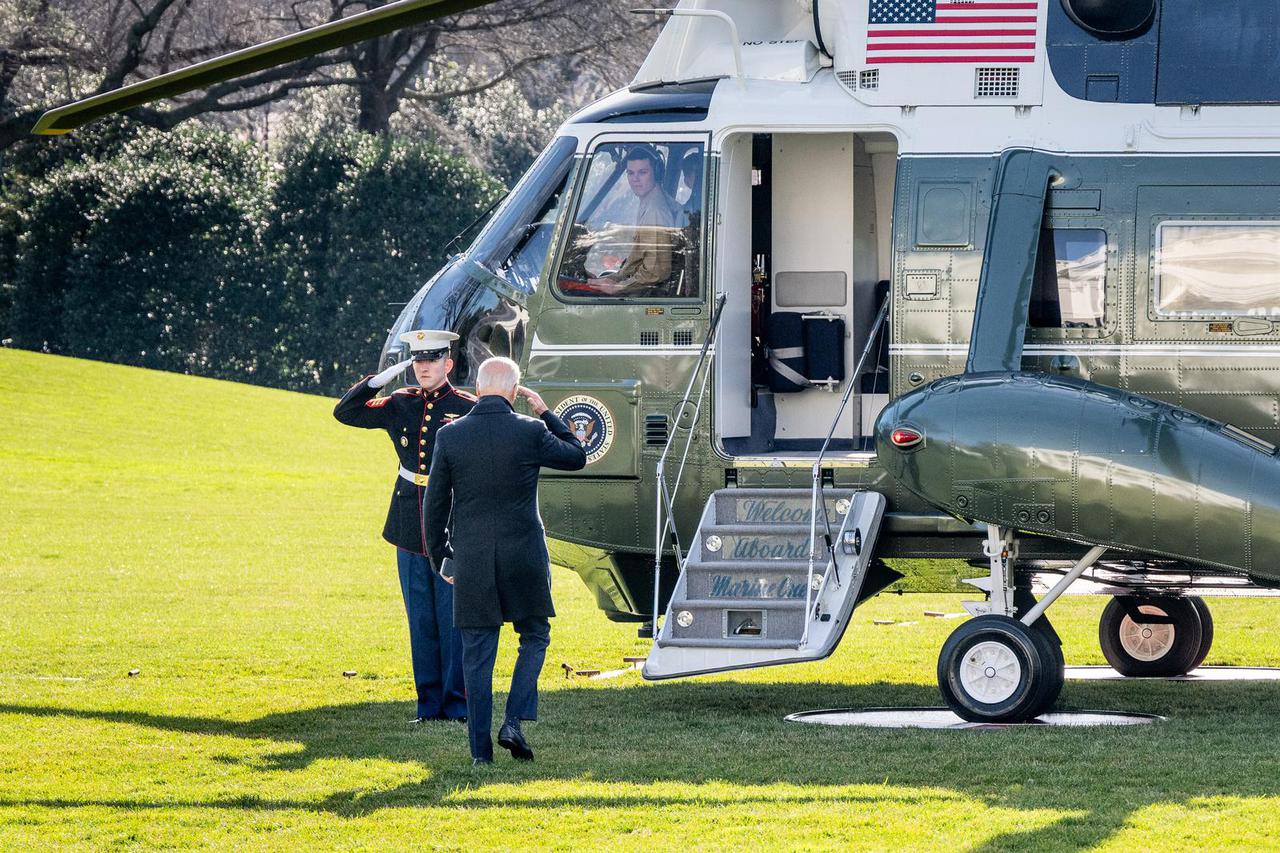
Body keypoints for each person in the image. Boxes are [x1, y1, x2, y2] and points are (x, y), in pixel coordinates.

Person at [423, 357, 587, 765]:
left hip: (472, 558)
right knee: (534, 636)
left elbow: (434, 506)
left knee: (476, 654)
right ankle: (513, 721)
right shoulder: (530, 431)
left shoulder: (450, 435)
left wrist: (442, 557)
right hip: (524, 555)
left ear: (478, 389)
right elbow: (576, 455)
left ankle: (480, 754)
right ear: (514, 392)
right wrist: (546, 412)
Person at [333, 329, 476, 724]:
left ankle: (457, 706)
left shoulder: (466, 407)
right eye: (418, 360)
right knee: (421, 620)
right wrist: (379, 380)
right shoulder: (400, 402)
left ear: (448, 364)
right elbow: (346, 412)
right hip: (408, 522)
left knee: (452, 619)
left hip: (451, 523)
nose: (423, 367)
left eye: (432, 359)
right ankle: (428, 707)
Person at [586, 144, 680, 296]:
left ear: (656, 173)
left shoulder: (655, 210)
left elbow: (655, 271)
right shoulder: (648, 200)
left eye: (642, 172)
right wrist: (613, 278)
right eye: (630, 173)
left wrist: (617, 288)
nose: (635, 179)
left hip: (652, 295)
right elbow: (639, 259)